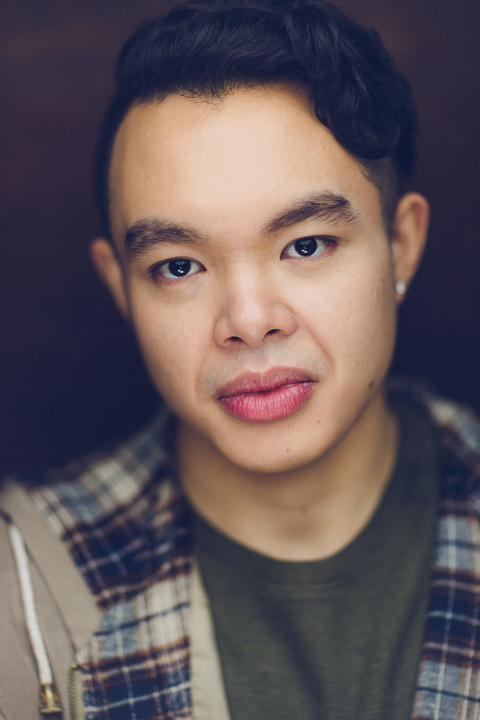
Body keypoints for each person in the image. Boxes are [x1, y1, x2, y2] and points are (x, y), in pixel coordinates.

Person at [1, 0, 480, 718]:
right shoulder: (20, 587)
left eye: (306, 245)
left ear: (401, 246)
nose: (250, 322)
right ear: (121, 288)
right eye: (179, 266)